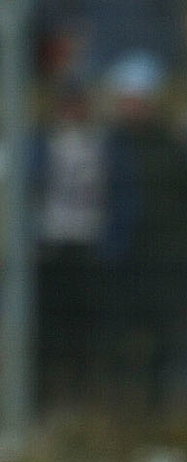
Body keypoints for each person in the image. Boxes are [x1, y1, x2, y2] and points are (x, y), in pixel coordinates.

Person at [99, 52, 187, 410]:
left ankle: (156, 411)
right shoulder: (107, 148)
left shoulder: (175, 149)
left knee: (164, 345)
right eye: (128, 101)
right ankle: (119, 411)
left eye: (140, 101)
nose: (134, 108)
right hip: (120, 264)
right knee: (118, 343)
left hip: (165, 265)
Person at [33, 79, 107, 406]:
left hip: (87, 244)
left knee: (84, 329)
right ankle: (44, 396)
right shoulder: (40, 144)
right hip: (51, 245)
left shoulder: (101, 144)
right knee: (48, 329)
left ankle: (82, 396)